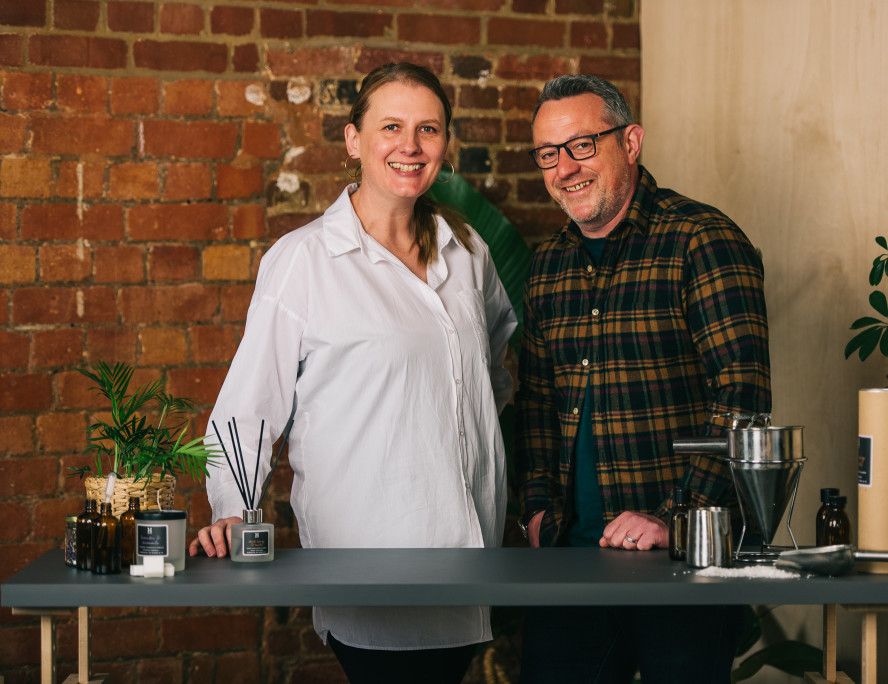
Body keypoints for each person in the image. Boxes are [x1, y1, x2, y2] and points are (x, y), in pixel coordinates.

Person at [188, 62, 517, 684]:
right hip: (370, 550)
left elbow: (493, 364)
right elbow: (248, 406)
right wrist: (233, 507)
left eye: (429, 129)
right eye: (391, 126)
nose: (410, 146)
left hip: (472, 553)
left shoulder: (468, 250)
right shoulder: (303, 262)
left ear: (445, 145)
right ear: (353, 140)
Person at [514, 74, 771, 683]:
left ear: (630, 142)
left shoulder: (701, 240)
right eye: (548, 154)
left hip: (682, 563)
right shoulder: (548, 265)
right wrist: (536, 510)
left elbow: (744, 396)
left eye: (582, 145)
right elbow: (536, 404)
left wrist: (672, 517)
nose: (565, 168)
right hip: (570, 564)